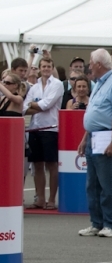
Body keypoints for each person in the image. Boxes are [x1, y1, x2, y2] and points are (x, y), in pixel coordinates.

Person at [76, 49, 112, 238]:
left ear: (98, 64)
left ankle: (110, 224)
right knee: (93, 184)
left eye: (91, 62)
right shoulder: (98, 83)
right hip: (93, 137)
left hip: (106, 137)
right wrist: (84, 138)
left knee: (107, 184)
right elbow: (95, 113)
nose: (89, 65)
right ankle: (96, 223)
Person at [24, 56, 62, 210]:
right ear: (39, 68)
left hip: (51, 128)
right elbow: (24, 107)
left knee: (52, 165)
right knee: (37, 165)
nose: (46, 69)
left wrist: (34, 104)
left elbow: (47, 104)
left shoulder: (57, 84)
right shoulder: (34, 87)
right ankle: (40, 198)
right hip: (35, 127)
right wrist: (36, 104)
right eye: (43, 66)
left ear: (52, 68)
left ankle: (52, 199)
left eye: (48, 66)